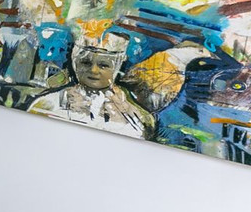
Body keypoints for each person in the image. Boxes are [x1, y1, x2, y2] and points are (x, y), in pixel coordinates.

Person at [27, 28, 156, 139]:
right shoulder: (48, 103)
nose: (93, 70)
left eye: (103, 65)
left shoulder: (135, 115)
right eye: (86, 63)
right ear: (75, 62)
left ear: (117, 66)